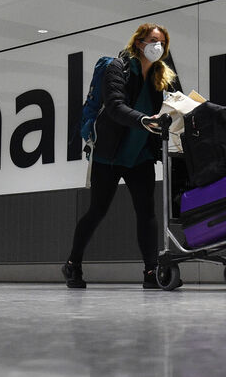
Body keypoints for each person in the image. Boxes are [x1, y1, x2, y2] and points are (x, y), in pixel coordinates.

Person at [61, 23, 180, 289]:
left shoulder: (161, 75)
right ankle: (72, 263)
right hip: (110, 154)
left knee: (146, 212)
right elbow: (115, 107)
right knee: (97, 210)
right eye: (153, 40)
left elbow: (172, 105)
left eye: (162, 42)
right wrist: (143, 120)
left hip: (140, 154)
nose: (158, 46)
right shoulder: (118, 68)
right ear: (138, 42)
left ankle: (151, 271)